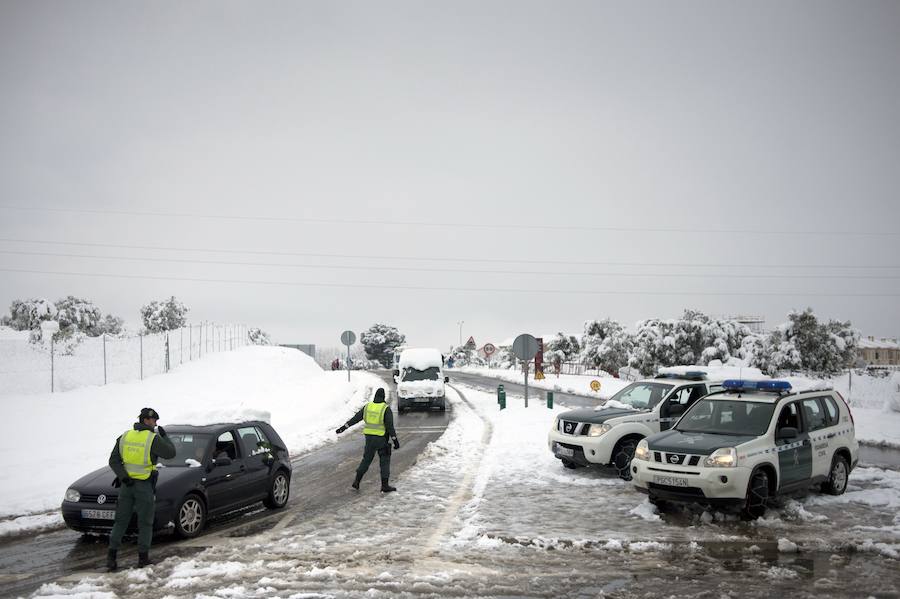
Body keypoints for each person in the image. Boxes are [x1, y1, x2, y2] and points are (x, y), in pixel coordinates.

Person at [106, 407, 176, 572]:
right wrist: (165, 437)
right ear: (146, 420)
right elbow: (171, 453)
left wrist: (124, 477)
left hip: (126, 486)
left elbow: (113, 461)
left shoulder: (125, 436)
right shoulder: (153, 438)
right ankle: (143, 558)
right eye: (154, 420)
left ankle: (111, 558)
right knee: (145, 522)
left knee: (120, 522)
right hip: (144, 485)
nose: (155, 423)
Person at [335, 388, 400, 492]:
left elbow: (356, 418)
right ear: (383, 397)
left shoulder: (368, 407)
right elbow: (390, 427)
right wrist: (395, 440)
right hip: (381, 439)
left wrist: (344, 427)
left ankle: (357, 481)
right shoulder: (385, 409)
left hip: (369, 439)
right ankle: (385, 485)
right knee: (384, 461)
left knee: (366, 460)